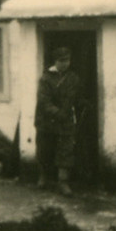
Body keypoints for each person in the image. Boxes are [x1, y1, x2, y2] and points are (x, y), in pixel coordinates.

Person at [35, 46, 81, 196]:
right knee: (45, 149)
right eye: (61, 61)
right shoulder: (45, 78)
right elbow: (44, 101)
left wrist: (74, 108)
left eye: (67, 60)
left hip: (65, 119)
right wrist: (56, 112)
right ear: (55, 61)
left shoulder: (73, 78)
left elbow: (74, 97)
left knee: (66, 150)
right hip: (46, 119)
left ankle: (63, 182)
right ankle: (43, 177)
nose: (65, 63)